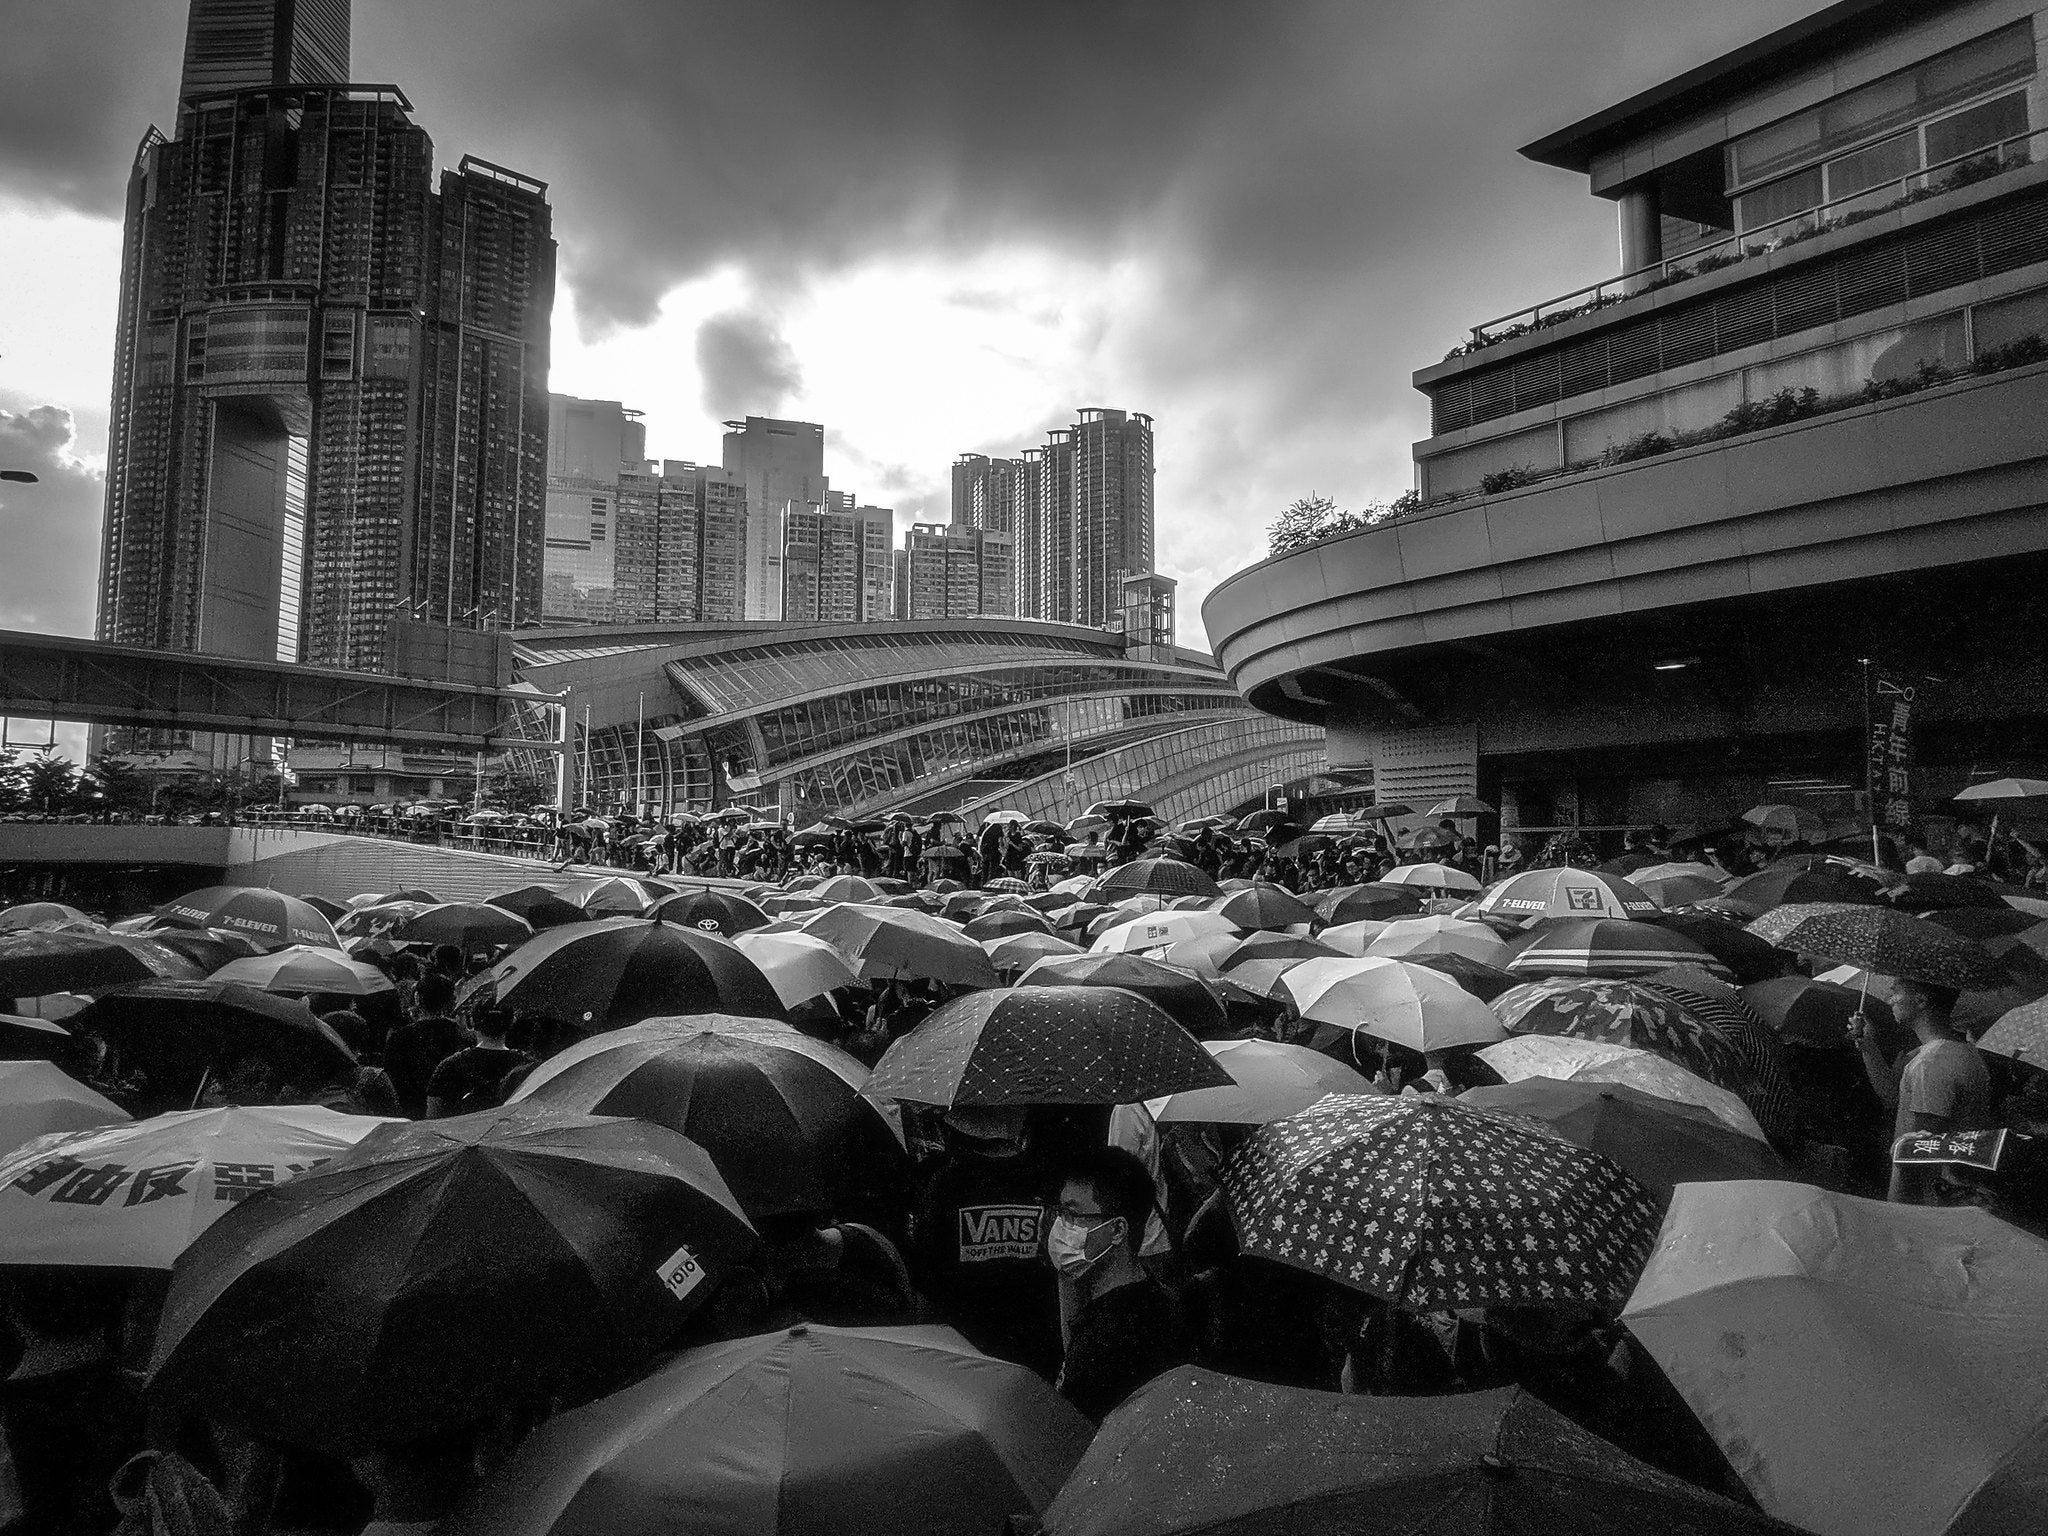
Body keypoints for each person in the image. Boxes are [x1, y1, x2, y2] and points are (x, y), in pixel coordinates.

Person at [906, 1106, 1061, 1379]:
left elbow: (926, 1270)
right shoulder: (1049, 1178)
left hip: (966, 1347)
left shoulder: (946, 1184)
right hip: (1038, 1343)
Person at [1048, 1145, 1192, 1422]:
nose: (1061, 1226)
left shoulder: (1113, 1338)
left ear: (1117, 1230)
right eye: (1060, 1213)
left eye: (1072, 1215)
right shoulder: (1151, 1299)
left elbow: (1074, 1427)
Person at [1851, 975, 1992, 1203]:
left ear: (1920, 1000)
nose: (1889, 1000)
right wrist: (1867, 1044)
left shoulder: (1932, 1063)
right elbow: (1891, 1095)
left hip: (1931, 1197)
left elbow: (1916, 1150)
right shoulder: (1956, 1050)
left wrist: (1897, 1205)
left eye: (1896, 991)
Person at [425, 1007, 530, 1119]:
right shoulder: (526, 1065)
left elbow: (433, 1116)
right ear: (512, 1021)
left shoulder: (449, 1066)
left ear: (472, 1022)